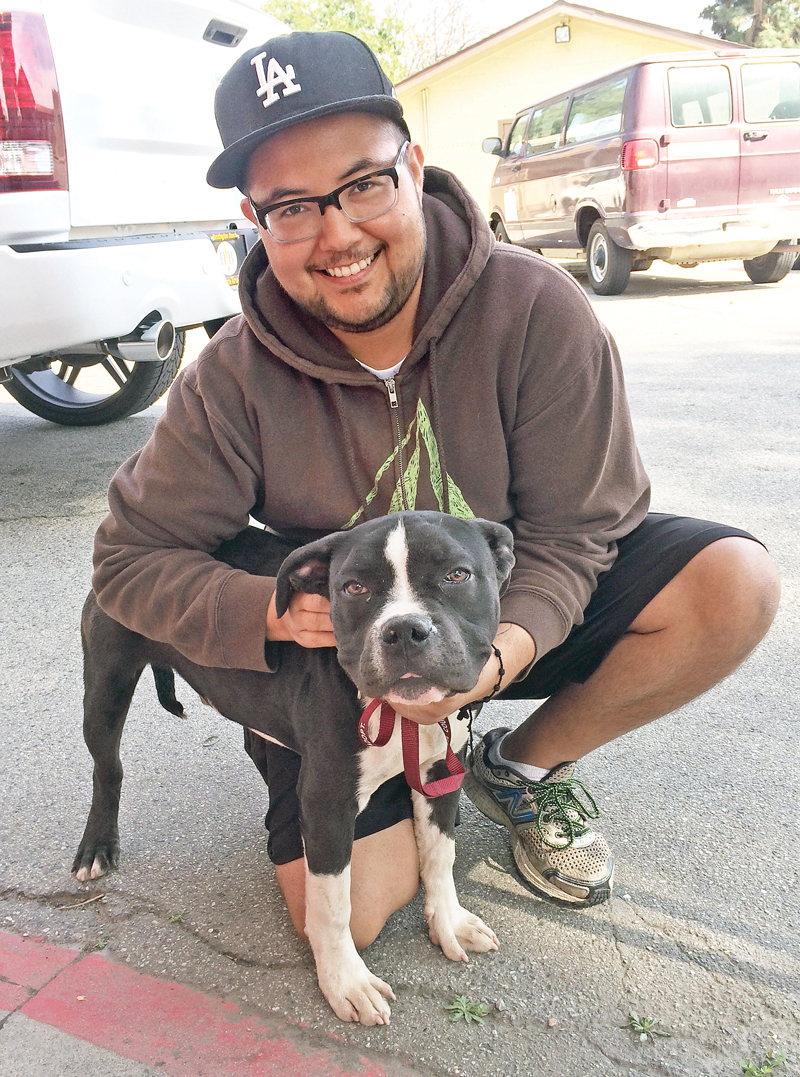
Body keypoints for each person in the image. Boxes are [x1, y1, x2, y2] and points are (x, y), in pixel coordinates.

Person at [92, 31, 779, 948]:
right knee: (356, 917)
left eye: (362, 185)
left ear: (413, 167)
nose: (336, 234)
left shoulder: (536, 309)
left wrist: (497, 655)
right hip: (345, 658)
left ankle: (521, 764)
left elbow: (578, 531)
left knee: (733, 582)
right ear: (256, 222)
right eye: (291, 207)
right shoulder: (229, 376)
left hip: (494, 606)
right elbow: (126, 560)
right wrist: (270, 612)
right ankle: (322, 753)